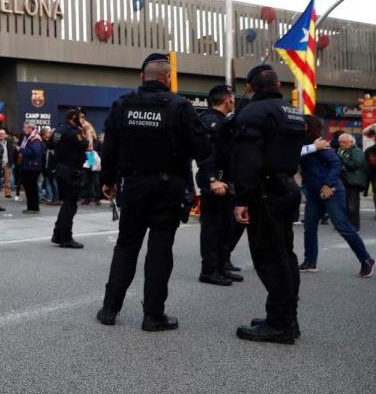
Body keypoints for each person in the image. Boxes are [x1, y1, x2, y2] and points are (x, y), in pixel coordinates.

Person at [96, 53, 209, 330]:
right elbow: (203, 149)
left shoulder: (123, 104)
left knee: (126, 245)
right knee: (160, 249)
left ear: (142, 77)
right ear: (168, 77)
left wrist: (108, 180)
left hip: (133, 185)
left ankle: (110, 309)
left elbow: (109, 146)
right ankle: (153, 315)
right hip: (168, 187)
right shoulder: (180, 106)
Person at [230, 64, 307, 344]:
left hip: (265, 193)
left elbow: (248, 160)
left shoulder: (253, 112)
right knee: (285, 255)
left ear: (251, 87)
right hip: (286, 187)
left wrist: (241, 199)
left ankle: (280, 324)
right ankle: (287, 317)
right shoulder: (293, 110)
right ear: (276, 84)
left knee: (269, 259)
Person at [300, 116, 375, 276]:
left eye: (301, 124)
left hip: (331, 192)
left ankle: (366, 260)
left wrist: (328, 184)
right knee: (309, 228)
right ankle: (310, 262)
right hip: (314, 193)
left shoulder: (321, 144)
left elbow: (336, 164)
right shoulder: (307, 144)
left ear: (307, 126)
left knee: (343, 227)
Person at [196, 84, 244, 286]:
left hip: (229, 181)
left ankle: (222, 265)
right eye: (232, 98)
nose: (233, 101)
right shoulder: (208, 121)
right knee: (212, 227)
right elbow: (205, 153)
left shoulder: (225, 121)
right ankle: (209, 270)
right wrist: (212, 179)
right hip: (216, 181)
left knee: (226, 226)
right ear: (228, 100)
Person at [51, 110, 90, 248]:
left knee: (66, 204)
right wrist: (88, 132)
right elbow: (88, 145)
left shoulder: (59, 129)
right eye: (81, 117)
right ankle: (66, 237)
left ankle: (58, 234)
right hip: (72, 171)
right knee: (70, 205)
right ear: (74, 117)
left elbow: (50, 146)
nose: (83, 120)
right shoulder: (73, 131)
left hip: (61, 169)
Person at [337, 133, 367, 230]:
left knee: (352, 205)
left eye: (344, 142)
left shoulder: (356, 151)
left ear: (351, 142)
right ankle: (346, 224)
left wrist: (341, 160)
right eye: (340, 142)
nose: (341, 144)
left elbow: (355, 164)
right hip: (344, 180)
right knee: (344, 204)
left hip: (353, 181)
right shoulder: (341, 150)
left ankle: (354, 225)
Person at [18, 122, 44, 214]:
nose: (24, 129)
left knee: (32, 188)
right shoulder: (27, 138)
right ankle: (30, 207)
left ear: (31, 128)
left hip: (32, 167)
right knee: (28, 187)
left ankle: (34, 207)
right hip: (27, 165)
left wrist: (20, 149)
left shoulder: (35, 138)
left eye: (25, 128)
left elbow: (35, 152)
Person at [0, 129, 17, 199]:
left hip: (7, 162)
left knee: (7, 178)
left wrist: (11, 161)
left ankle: (8, 193)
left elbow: (12, 152)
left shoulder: (9, 142)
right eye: (0, 134)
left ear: (5, 135)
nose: (1, 135)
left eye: (2, 134)